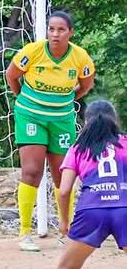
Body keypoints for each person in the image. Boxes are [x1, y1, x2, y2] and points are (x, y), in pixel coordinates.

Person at [5, 10, 95, 251]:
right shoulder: (32, 51)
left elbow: (86, 84)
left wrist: (65, 101)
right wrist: (25, 101)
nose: (55, 34)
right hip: (30, 115)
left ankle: (66, 229)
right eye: (51, 29)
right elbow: (12, 76)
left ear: (70, 33)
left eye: (61, 30)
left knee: (62, 175)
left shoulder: (80, 57)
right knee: (32, 171)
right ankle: (24, 232)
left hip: (62, 120)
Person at [57, 100, 127, 269]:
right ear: (115, 121)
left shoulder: (78, 148)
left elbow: (64, 190)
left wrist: (64, 222)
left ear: (86, 122)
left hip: (90, 211)